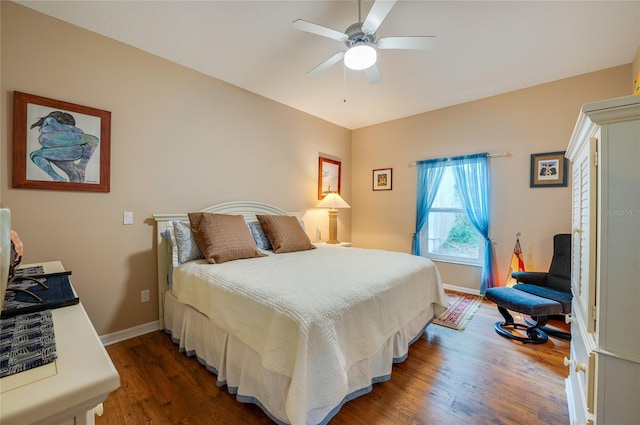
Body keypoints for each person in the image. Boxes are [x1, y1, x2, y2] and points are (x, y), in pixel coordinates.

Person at [29, 111, 99, 182]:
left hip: (65, 151)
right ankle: (59, 177)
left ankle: (57, 177)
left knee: (35, 155)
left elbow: (43, 130)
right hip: (70, 152)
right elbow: (89, 138)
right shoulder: (55, 127)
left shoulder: (49, 128)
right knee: (74, 175)